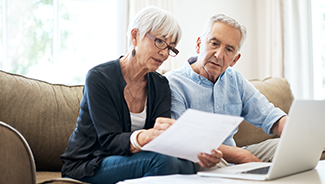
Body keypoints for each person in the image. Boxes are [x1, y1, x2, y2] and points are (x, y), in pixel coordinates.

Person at [60, 6, 222, 184]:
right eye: (160, 41)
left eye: (170, 48)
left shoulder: (160, 84)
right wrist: (145, 137)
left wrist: (198, 152)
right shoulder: (99, 77)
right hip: (91, 163)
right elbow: (108, 140)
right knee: (163, 161)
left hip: (132, 159)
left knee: (187, 166)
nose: (164, 53)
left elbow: (163, 140)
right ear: (135, 35)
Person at [164, 14, 287, 168]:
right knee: (204, 158)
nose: (219, 55)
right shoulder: (173, 83)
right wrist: (241, 156)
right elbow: (183, 138)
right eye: (214, 43)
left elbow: (270, 116)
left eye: (229, 49)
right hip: (200, 157)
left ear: (235, 60)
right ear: (199, 44)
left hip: (233, 157)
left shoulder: (235, 79)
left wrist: (301, 134)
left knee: (283, 148)